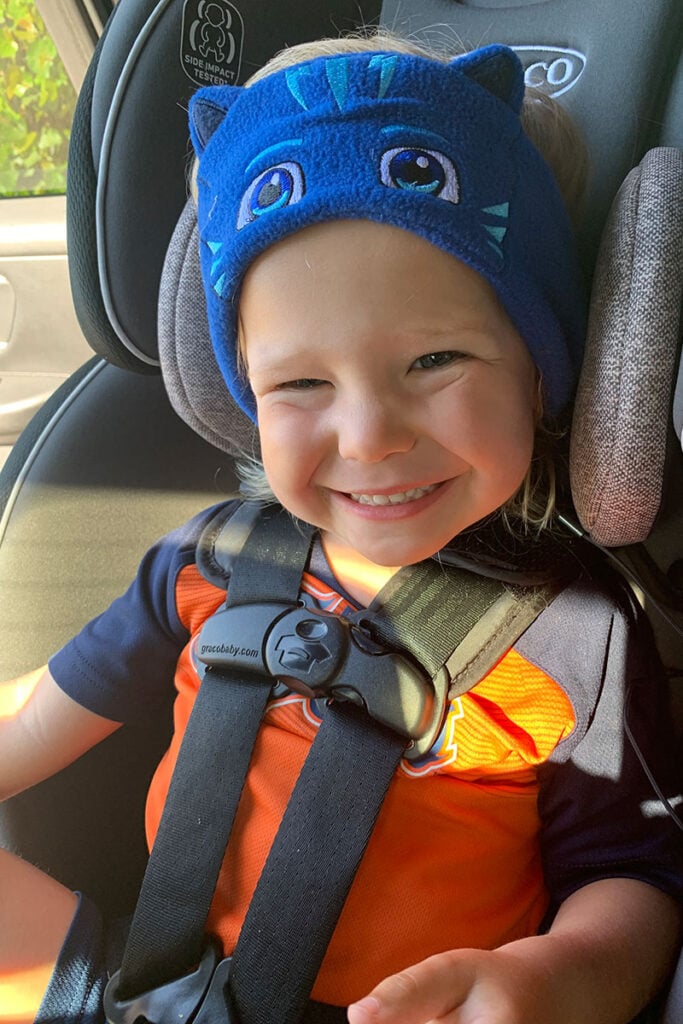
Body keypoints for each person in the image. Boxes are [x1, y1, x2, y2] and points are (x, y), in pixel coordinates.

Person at [1, 30, 681, 1024]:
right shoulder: (207, 560)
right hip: (138, 992)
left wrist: (548, 979)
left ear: (541, 365)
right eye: (301, 383)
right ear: (242, 390)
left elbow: (632, 882)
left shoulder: (573, 635)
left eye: (433, 360)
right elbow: (40, 714)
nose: (367, 438)